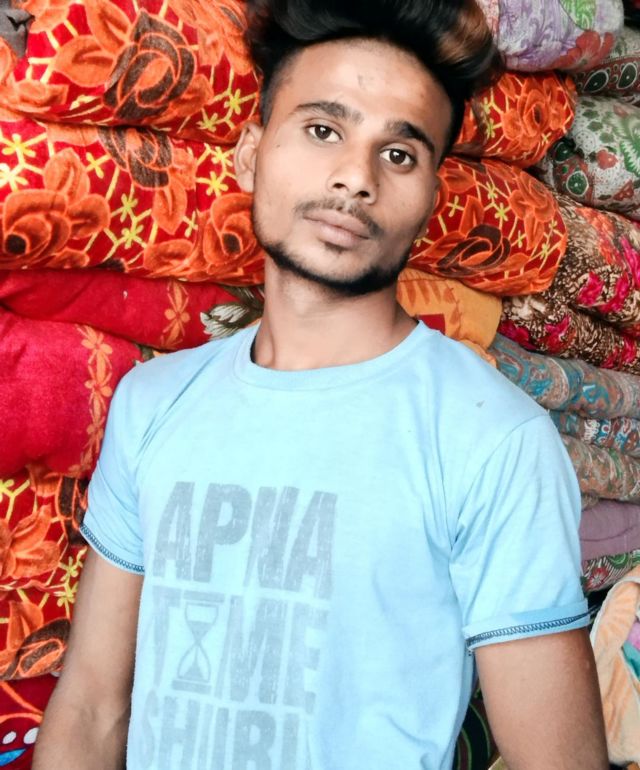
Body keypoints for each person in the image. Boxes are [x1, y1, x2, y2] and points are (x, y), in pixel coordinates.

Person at [33, 0, 610, 768]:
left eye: (398, 154)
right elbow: (90, 707)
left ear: (432, 198)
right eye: (322, 130)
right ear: (251, 154)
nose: (355, 178)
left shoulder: (493, 439)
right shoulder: (154, 402)